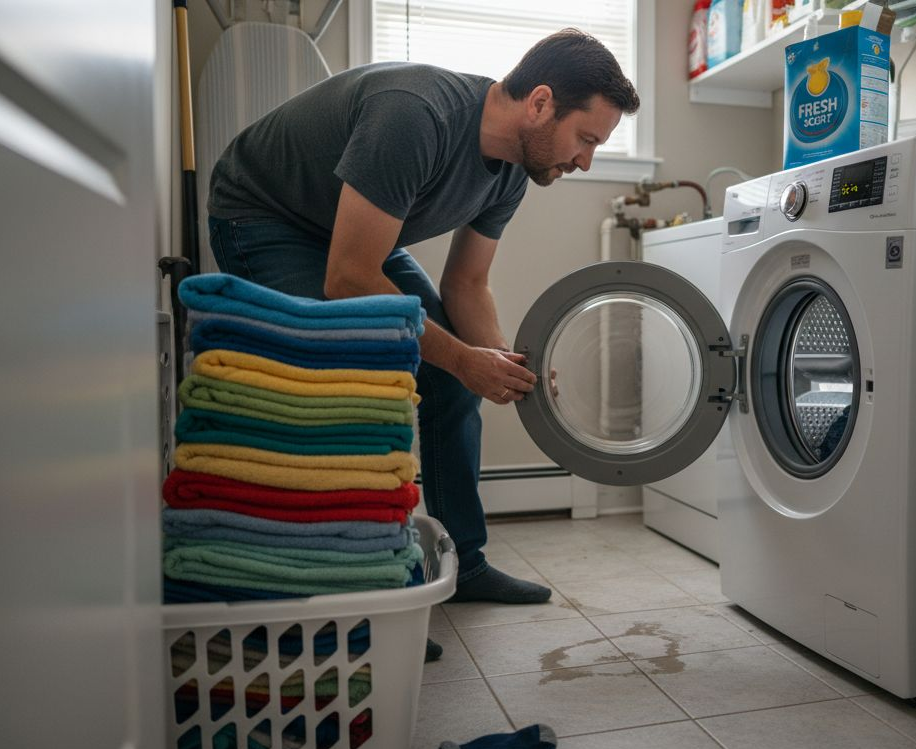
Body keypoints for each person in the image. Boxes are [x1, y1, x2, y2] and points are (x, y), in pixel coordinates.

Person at [204, 30, 641, 615]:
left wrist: (500, 364)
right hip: (265, 215)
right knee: (341, 385)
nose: (585, 161)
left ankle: (468, 564)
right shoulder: (416, 116)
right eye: (586, 138)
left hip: (353, 239)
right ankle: (354, 590)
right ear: (539, 104)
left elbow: (467, 284)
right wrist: (463, 357)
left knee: (457, 379)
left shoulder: (514, 169)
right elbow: (350, 279)